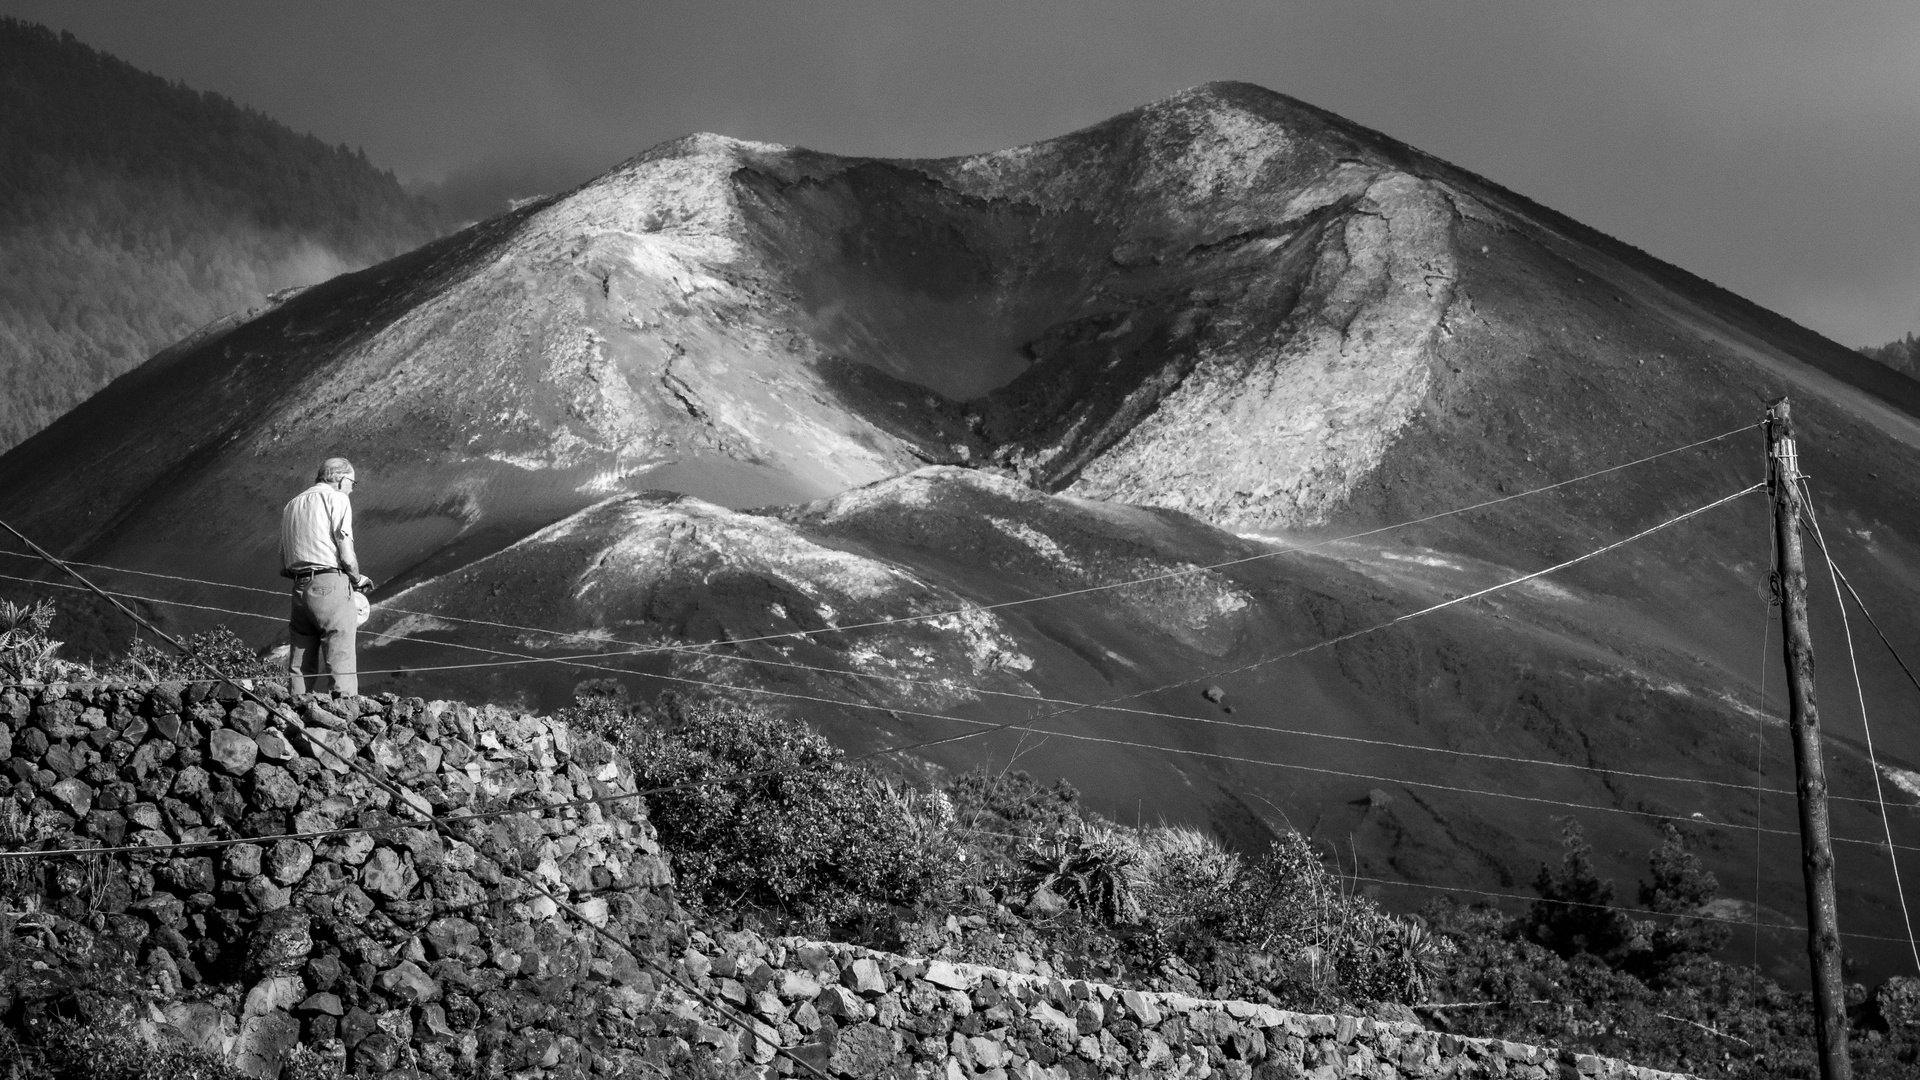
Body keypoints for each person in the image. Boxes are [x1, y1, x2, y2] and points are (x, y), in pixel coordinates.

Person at [280, 457, 373, 696]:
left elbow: (283, 562)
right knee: (340, 650)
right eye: (352, 481)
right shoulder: (337, 498)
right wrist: (356, 579)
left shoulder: (292, 504)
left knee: (300, 659)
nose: (353, 487)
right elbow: (346, 551)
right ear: (341, 480)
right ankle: (345, 712)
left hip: (299, 586)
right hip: (330, 581)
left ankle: (296, 711)